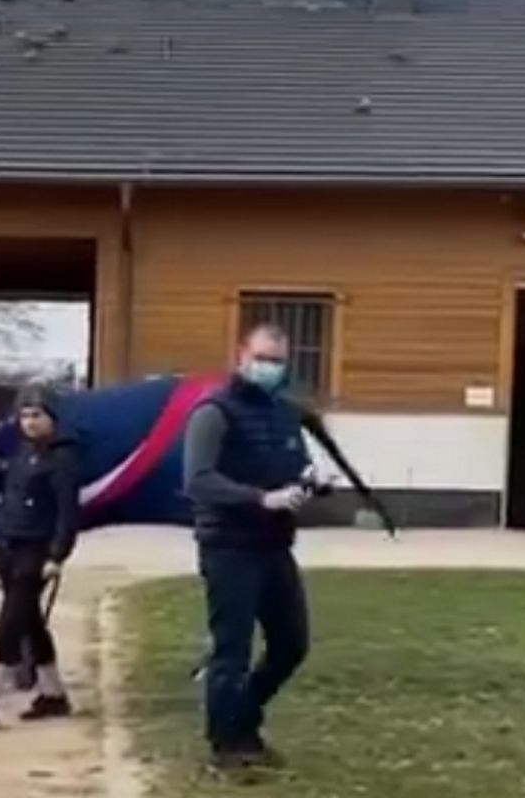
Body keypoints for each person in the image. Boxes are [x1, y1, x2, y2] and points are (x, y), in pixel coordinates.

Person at [182, 322, 328, 770]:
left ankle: (242, 715)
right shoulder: (213, 411)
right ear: (241, 356)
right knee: (233, 649)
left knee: (291, 643)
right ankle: (227, 744)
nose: (270, 367)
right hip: (228, 546)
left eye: (278, 360)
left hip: (274, 544)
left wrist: (311, 483)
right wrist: (260, 498)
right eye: (262, 357)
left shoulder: (285, 412)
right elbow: (198, 480)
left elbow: (294, 465)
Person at [0, 384, 80, 733]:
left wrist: (57, 555)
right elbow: (7, 484)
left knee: (11, 621)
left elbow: (68, 514)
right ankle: (54, 695)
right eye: (24, 416)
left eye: (37, 415)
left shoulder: (62, 459)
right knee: (30, 621)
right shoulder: (21, 453)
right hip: (8, 544)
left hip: (36, 549)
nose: (29, 422)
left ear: (52, 419)